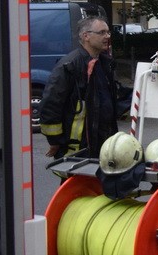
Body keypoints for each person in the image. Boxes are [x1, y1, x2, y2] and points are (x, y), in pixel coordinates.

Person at [39, 16, 118, 159]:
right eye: (101, 32)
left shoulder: (104, 63)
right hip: (78, 147)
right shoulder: (70, 65)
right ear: (86, 36)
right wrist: (55, 140)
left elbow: (109, 98)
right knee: (76, 182)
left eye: (108, 32)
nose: (107, 36)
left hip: (102, 143)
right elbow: (50, 104)